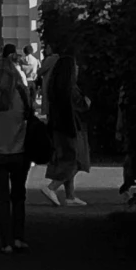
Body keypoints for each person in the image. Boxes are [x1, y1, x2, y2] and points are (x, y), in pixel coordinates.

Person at [0, 44, 33, 252]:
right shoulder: (21, 94)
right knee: (19, 196)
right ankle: (19, 236)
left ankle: (6, 241)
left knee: (1, 199)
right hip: (19, 150)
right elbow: (29, 117)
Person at [43, 48, 90, 206]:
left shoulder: (56, 87)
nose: (77, 69)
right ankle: (52, 187)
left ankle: (70, 196)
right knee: (76, 160)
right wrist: (87, 103)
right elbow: (82, 105)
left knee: (67, 158)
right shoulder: (71, 89)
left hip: (58, 127)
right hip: (71, 127)